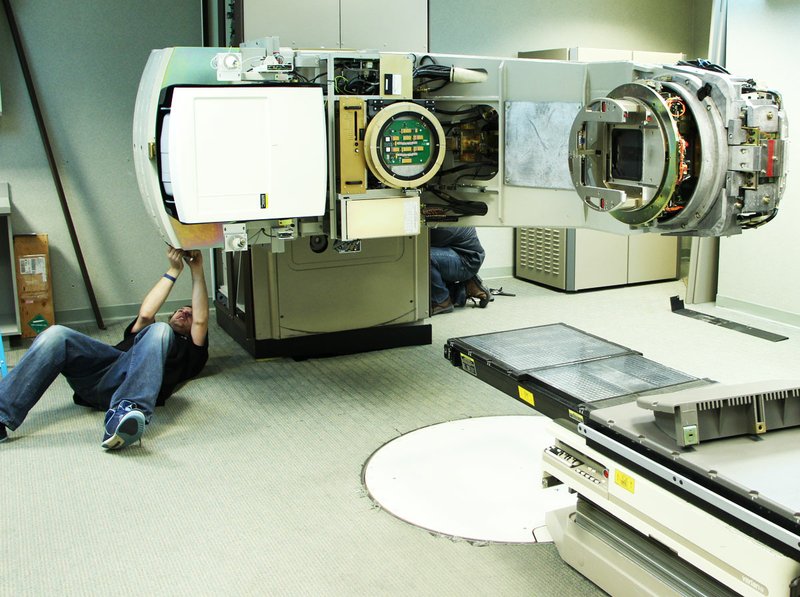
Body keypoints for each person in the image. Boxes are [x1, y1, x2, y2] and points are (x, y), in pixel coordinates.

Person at [0, 245, 209, 449]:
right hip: (99, 375)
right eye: (180, 310)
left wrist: (197, 269)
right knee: (56, 334)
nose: (184, 313)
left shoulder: (191, 352)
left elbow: (200, 322)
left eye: (189, 314)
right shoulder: (147, 333)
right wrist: (174, 269)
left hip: (129, 388)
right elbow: (146, 314)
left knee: (161, 330)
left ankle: (123, 414)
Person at [430, 226, 491, 315]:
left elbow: (422, 240)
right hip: (461, 254)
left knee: (423, 255)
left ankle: (441, 301)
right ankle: (464, 288)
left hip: (466, 262)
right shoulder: (451, 216)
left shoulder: (446, 226)